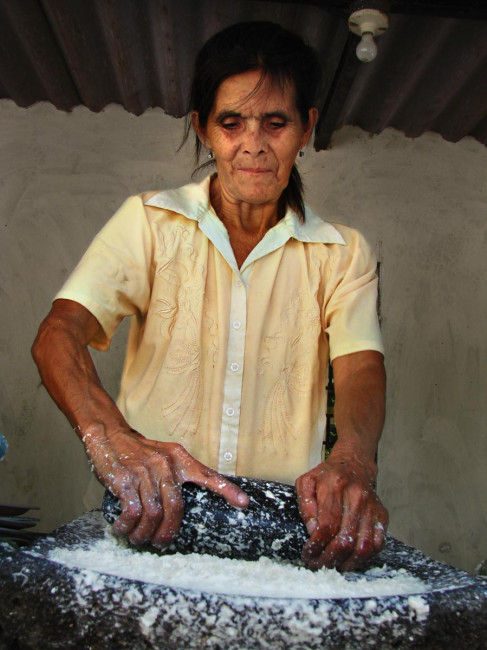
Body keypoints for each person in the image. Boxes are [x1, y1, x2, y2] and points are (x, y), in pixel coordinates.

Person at [32, 21, 388, 572]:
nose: (253, 144)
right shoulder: (148, 223)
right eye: (231, 123)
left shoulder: (343, 254)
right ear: (203, 129)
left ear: (306, 129)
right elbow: (58, 333)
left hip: (278, 542)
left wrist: (353, 459)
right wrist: (113, 437)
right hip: (144, 524)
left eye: (276, 123)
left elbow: (361, 367)